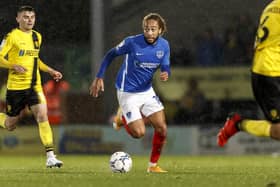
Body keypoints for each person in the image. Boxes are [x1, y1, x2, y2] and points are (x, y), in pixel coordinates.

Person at [90, 13, 170, 173]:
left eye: (153, 29)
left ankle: (153, 166)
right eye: (146, 29)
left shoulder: (164, 45)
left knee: (162, 128)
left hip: (147, 91)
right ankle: (122, 118)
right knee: (138, 133)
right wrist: (99, 76)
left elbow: (165, 63)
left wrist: (165, 72)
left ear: (160, 30)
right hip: (128, 92)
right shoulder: (132, 42)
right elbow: (110, 54)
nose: (149, 32)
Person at [0, 5, 63, 168]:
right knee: (10, 125)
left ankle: (50, 156)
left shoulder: (37, 36)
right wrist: (13, 65)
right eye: (26, 17)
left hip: (34, 86)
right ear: (18, 19)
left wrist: (50, 70)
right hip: (16, 88)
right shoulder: (11, 36)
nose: (29, 20)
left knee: (42, 116)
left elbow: (36, 60)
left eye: (32, 17)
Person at [217, 0, 280, 147]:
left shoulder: (271, 6)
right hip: (268, 73)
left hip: (268, 66)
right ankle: (238, 124)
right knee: (278, 131)